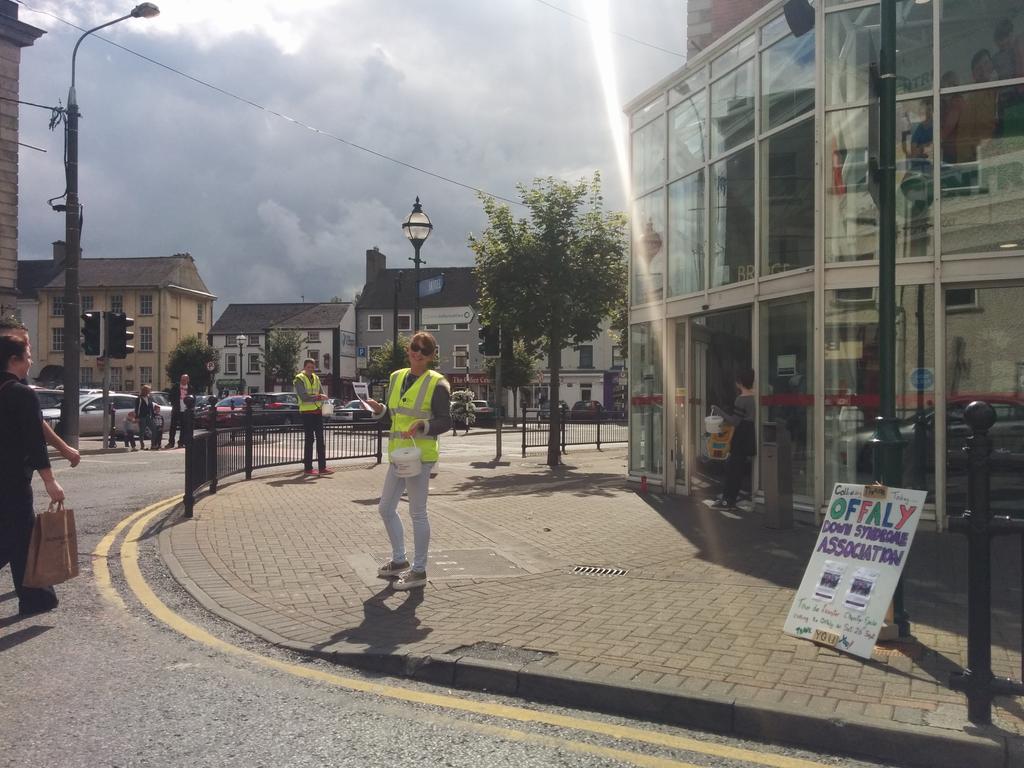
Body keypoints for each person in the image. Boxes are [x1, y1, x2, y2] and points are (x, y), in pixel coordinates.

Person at [364, 331, 451, 591]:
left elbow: (445, 421)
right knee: (385, 508)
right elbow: (392, 416)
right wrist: (378, 410)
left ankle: (419, 570)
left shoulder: (438, 383)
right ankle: (400, 560)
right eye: (415, 347)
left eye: (424, 351)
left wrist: (423, 425)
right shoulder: (396, 377)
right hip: (398, 454)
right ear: (408, 348)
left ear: (432, 356)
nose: (418, 353)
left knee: (417, 512)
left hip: (420, 457)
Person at [0, 334, 65, 615]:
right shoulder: (21, 394)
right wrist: (50, 481)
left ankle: (37, 596)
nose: (30, 362)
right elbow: (34, 441)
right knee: (21, 536)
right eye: (27, 356)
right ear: (13, 360)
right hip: (12, 479)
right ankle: (36, 597)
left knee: (12, 537)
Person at [0, 317, 80, 467]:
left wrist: (63, 448)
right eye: (22, 342)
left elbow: (34, 419)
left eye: (27, 342)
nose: (27, 347)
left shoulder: (16, 380)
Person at [713, 368, 756, 511]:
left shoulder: (741, 399)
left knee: (733, 469)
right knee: (738, 468)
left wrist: (719, 411)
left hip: (741, 435)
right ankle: (732, 497)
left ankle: (727, 500)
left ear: (740, 383)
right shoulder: (754, 397)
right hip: (750, 433)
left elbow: (735, 421)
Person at [294, 358, 333, 476]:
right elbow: (304, 397)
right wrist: (318, 397)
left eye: (312, 367)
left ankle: (322, 467)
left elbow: (322, 393)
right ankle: (308, 468)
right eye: (309, 367)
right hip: (307, 412)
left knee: (321, 440)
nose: (311, 369)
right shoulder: (299, 379)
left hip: (317, 411)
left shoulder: (316, 378)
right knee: (309, 440)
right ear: (304, 367)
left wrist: (322, 397)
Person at [166, 373, 193, 449]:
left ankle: (181, 442)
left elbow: (193, 397)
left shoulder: (190, 388)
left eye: (185, 379)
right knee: (173, 427)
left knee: (183, 427)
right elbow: (170, 396)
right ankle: (171, 442)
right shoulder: (176, 386)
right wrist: (174, 403)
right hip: (177, 409)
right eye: (182, 379)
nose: (183, 381)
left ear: (188, 380)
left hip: (185, 410)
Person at [134, 384, 155, 450]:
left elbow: (151, 407)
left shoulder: (149, 398)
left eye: (149, 390)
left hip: (148, 416)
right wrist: (137, 417)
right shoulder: (139, 399)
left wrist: (153, 415)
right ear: (144, 391)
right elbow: (137, 409)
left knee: (154, 429)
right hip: (142, 417)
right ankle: (142, 445)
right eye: (147, 390)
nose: (148, 392)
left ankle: (153, 444)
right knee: (142, 431)